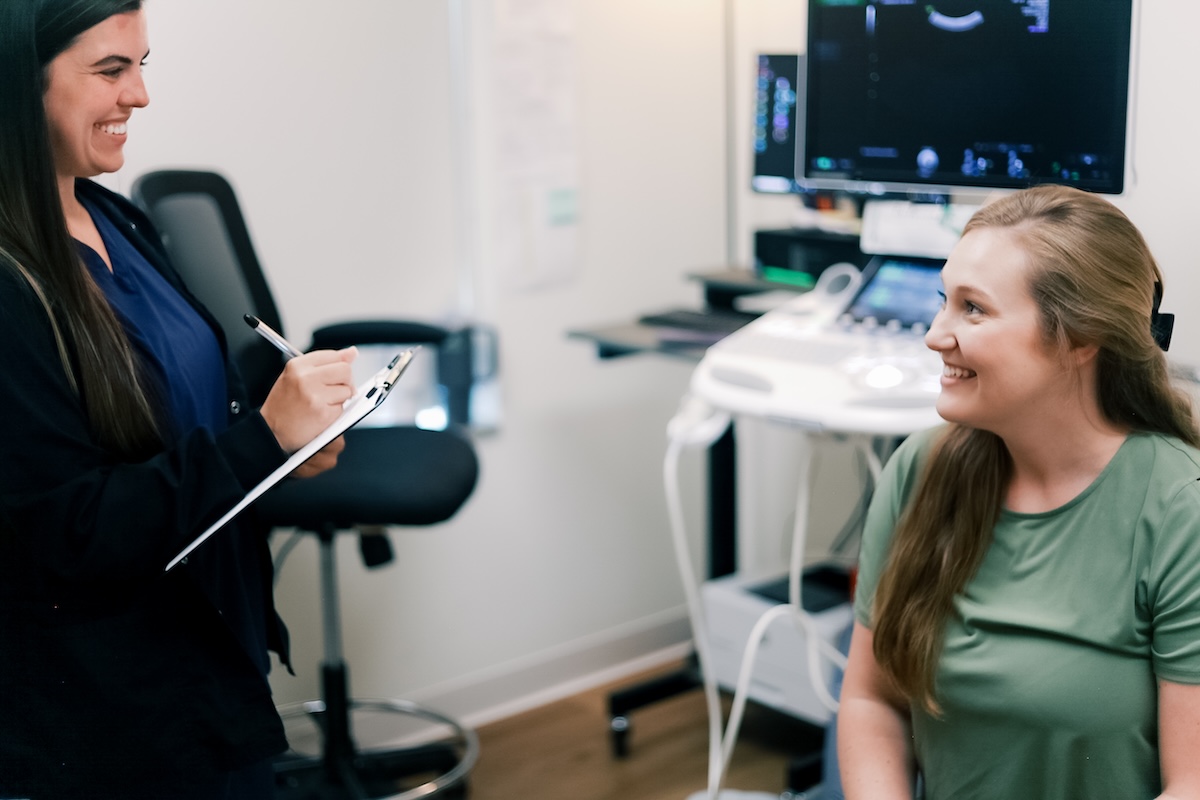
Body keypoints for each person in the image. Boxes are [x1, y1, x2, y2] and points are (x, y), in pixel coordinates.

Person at [0, 2, 358, 797]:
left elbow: (195, 411)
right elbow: (70, 531)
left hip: (212, 658)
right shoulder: (10, 282)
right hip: (115, 715)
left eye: (142, 66)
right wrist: (257, 445)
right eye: (110, 70)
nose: (140, 96)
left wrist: (280, 443)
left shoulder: (114, 217)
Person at [837, 184, 1200, 799]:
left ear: (1080, 338)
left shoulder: (1178, 509)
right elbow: (873, 701)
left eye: (973, 309)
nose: (935, 335)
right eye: (942, 302)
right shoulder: (920, 470)